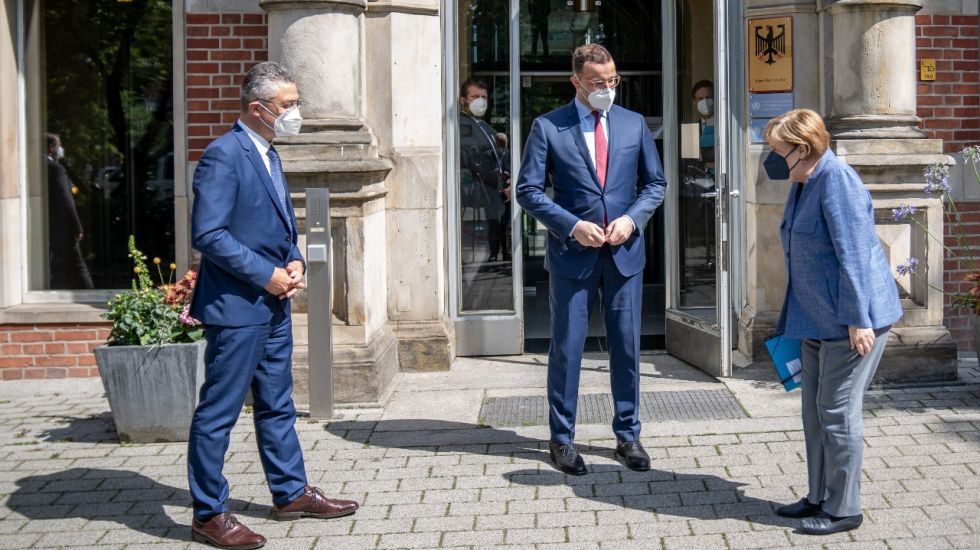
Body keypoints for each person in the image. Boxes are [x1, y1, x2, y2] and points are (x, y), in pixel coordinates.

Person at [187, 62, 358, 550]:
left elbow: (279, 224)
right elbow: (210, 234)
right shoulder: (225, 154)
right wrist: (265, 274)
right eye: (288, 105)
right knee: (218, 413)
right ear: (258, 109)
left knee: (277, 404)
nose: (296, 113)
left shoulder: (269, 153)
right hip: (237, 308)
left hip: (273, 305)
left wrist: (295, 258)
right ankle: (208, 513)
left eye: (296, 103)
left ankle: (290, 492)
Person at [516, 44, 667, 475]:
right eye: (598, 83)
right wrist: (570, 225)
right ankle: (561, 440)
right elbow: (529, 190)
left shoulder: (633, 124)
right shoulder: (548, 127)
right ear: (576, 82)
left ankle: (627, 434)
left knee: (626, 347)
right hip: (572, 256)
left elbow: (654, 185)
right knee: (566, 349)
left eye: (612, 81)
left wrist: (632, 221)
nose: (606, 89)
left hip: (623, 255)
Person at [764, 109, 902, 536]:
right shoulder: (803, 182)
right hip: (813, 318)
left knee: (838, 411)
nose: (771, 160)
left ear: (802, 150)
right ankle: (818, 496)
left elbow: (855, 253)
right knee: (814, 411)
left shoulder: (836, 180)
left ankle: (845, 509)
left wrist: (858, 319)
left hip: (850, 320)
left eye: (777, 152)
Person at [459, 78, 509, 262]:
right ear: (463, 99)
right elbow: (473, 157)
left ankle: (498, 253)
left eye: (484, 97)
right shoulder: (462, 124)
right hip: (479, 189)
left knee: (498, 224)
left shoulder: (482, 124)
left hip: (494, 188)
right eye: (475, 97)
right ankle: (493, 253)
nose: (481, 101)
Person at [45, 133, 94, 290]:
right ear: (51, 148)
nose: (59, 149)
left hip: (48, 224)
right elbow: (66, 200)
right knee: (77, 264)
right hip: (61, 226)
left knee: (58, 264)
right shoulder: (55, 169)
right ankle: (90, 293)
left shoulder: (35, 165)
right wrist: (76, 226)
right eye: (57, 145)